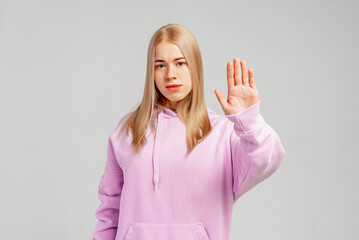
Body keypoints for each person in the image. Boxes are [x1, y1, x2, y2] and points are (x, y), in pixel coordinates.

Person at [92, 23, 285, 240]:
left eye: (180, 63)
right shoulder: (128, 131)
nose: (170, 75)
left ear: (195, 66)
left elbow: (268, 159)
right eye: (160, 65)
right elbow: (110, 211)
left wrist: (248, 120)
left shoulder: (223, 134)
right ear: (151, 72)